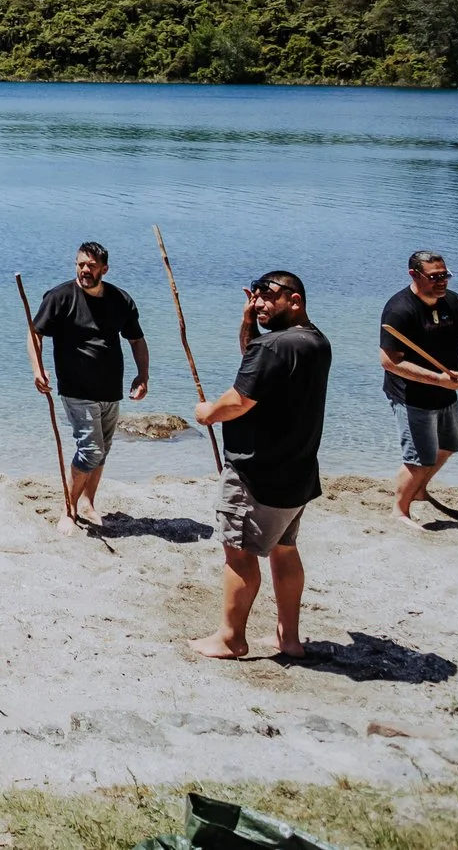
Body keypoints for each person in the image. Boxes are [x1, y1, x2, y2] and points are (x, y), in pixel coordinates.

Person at [191, 271, 330, 661]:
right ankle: (288, 638)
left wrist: (208, 414)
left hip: (256, 472)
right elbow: (258, 364)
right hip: (297, 472)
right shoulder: (315, 342)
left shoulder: (274, 348)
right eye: (256, 296)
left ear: (296, 299)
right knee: (284, 550)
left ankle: (231, 638)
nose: (260, 303)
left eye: (269, 296)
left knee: (238, 552)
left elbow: (240, 398)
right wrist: (249, 321)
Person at [27, 241, 150, 534]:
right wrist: (37, 369)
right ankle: (68, 510)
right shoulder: (60, 297)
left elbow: (136, 340)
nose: (85, 269)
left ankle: (88, 503)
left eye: (91, 265)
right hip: (76, 389)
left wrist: (143, 375)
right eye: (80, 264)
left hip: (110, 390)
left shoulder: (121, 300)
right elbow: (35, 333)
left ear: (104, 269)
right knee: (90, 451)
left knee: (103, 451)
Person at [379, 249, 458, 521]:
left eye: (445, 275)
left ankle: (420, 490)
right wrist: (438, 379)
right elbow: (389, 362)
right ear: (414, 275)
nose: (442, 281)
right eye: (435, 277)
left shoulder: (455, 304)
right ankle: (399, 512)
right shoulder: (400, 309)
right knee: (418, 459)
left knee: (448, 446)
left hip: (447, 391)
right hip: (411, 394)